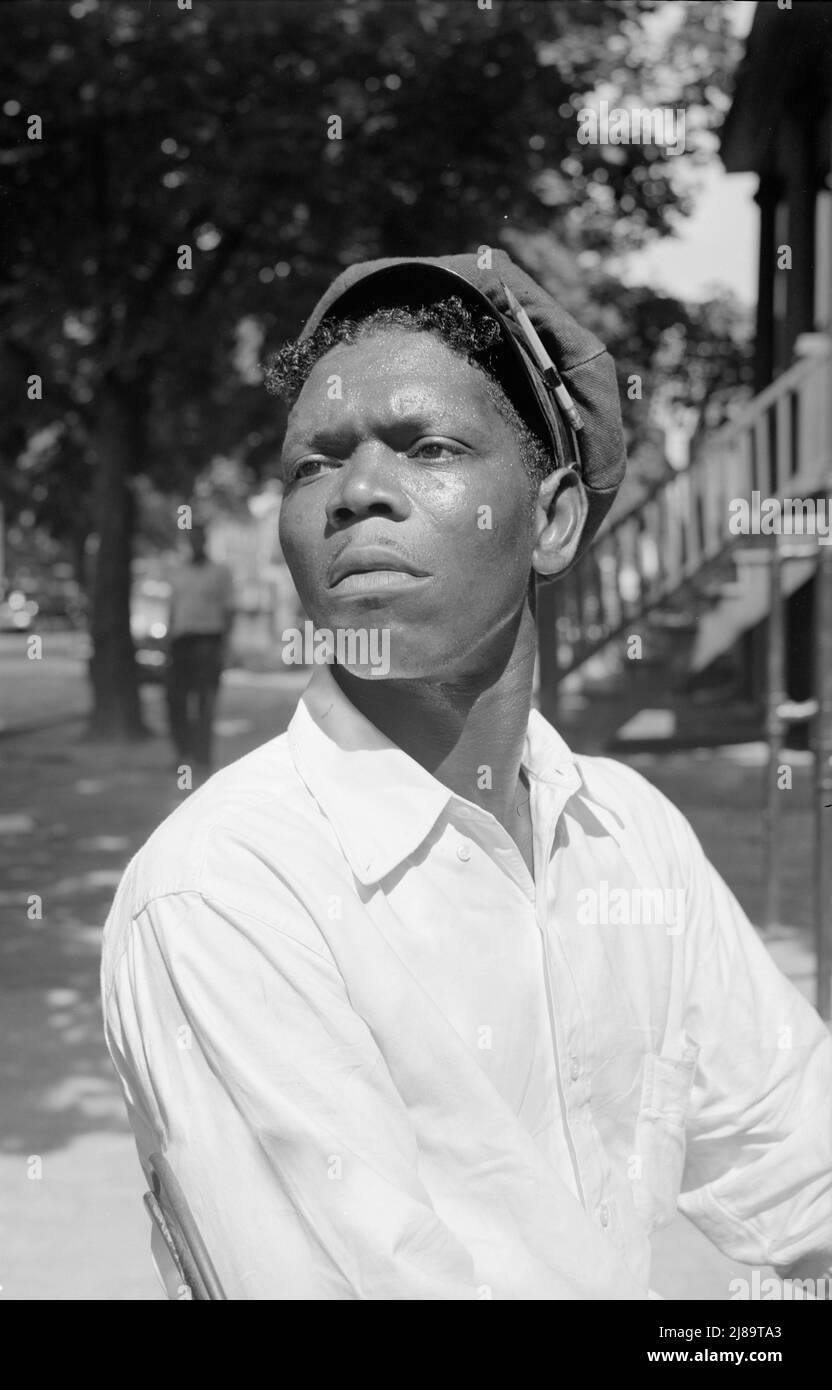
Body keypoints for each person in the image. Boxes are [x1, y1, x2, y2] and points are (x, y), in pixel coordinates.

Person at [101, 248, 832, 1300]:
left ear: (552, 519)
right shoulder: (224, 890)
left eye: (425, 444)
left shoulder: (626, 836)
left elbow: (798, 1164)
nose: (356, 492)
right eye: (312, 464)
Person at [164, 522, 233, 780]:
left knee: (205, 703)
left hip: (208, 642)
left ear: (205, 540)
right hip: (180, 643)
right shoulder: (177, 572)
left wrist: (226, 647)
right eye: (191, 538)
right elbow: (171, 610)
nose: (195, 543)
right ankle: (182, 754)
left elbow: (228, 612)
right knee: (175, 700)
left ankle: (203, 758)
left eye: (199, 538)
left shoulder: (220, 572)